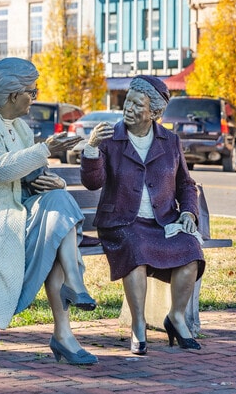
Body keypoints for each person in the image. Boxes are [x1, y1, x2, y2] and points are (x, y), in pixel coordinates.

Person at [0, 57, 98, 365]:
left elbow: (31, 176)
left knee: (58, 204)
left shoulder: (20, 127)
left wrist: (52, 179)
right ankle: (64, 333)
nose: (34, 97)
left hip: (19, 213)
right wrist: (46, 149)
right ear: (12, 94)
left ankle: (73, 289)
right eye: (32, 91)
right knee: (58, 234)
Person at [80, 75, 206, 355]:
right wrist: (91, 149)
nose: (130, 108)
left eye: (138, 104)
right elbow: (93, 183)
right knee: (135, 249)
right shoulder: (111, 139)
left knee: (191, 250)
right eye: (128, 101)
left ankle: (175, 318)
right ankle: (138, 326)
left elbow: (186, 184)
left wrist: (188, 212)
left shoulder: (170, 141)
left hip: (162, 222)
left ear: (155, 113)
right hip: (122, 222)